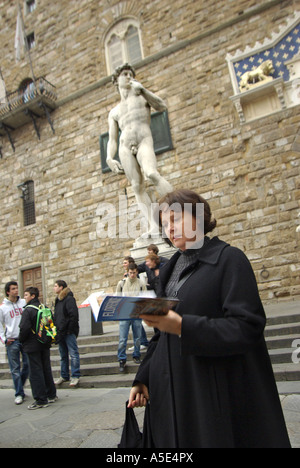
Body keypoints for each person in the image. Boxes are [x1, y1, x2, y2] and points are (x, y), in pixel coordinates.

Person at [128, 189, 291, 448]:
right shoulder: (168, 270)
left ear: (198, 216)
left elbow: (247, 326)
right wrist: (143, 377)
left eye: (176, 219)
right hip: (170, 393)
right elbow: (161, 333)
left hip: (211, 396)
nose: (170, 228)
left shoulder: (229, 259)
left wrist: (184, 326)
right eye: (165, 223)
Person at [107, 63, 172, 234]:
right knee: (136, 186)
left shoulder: (142, 97)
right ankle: (153, 226)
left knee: (151, 173)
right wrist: (109, 157)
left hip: (143, 139)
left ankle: (179, 210)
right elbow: (112, 139)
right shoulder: (114, 112)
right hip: (124, 146)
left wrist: (143, 90)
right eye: (125, 74)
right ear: (117, 81)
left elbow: (161, 105)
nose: (129, 77)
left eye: (130, 74)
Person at [19, 287, 57, 410]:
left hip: (32, 344)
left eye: (26, 295)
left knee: (35, 372)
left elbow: (24, 328)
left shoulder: (28, 311)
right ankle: (51, 394)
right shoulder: (43, 307)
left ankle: (41, 399)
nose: (24, 297)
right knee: (46, 369)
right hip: (44, 343)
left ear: (33, 296)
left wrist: (21, 340)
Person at [0, 281, 29, 405]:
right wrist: (4, 339)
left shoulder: (23, 302)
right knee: (15, 369)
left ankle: (20, 386)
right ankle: (18, 393)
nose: (16, 290)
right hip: (12, 341)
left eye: (17, 288)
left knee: (27, 365)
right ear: (8, 291)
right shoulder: (2, 307)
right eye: (13, 289)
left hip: (25, 339)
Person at [116, 263, 147, 372]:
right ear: (127, 272)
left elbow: (145, 297)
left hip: (136, 312)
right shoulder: (122, 283)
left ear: (137, 272)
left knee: (137, 337)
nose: (132, 275)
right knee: (122, 338)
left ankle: (136, 355)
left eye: (134, 273)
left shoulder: (141, 283)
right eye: (130, 273)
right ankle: (121, 358)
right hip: (124, 312)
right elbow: (117, 297)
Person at [53, 280, 80, 387]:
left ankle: (75, 375)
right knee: (63, 355)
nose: (54, 288)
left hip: (68, 331)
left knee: (73, 354)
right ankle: (64, 375)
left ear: (61, 287)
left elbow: (73, 315)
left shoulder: (69, 299)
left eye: (55, 286)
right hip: (60, 331)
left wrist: (69, 329)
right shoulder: (58, 300)